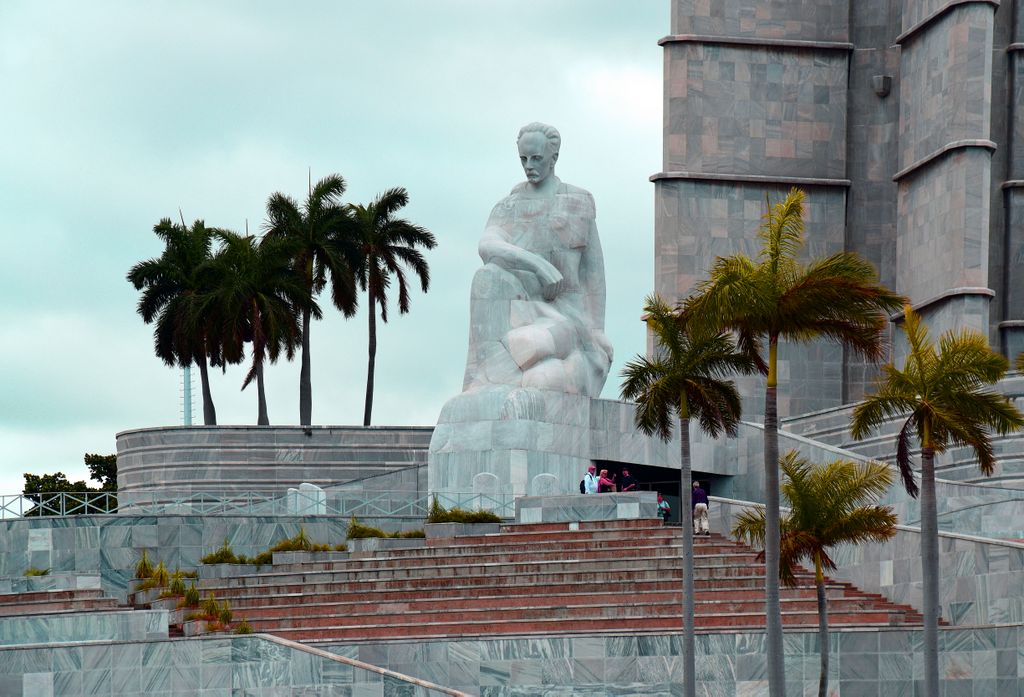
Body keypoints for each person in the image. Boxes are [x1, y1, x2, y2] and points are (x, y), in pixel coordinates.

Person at [459, 122, 613, 398]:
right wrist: (536, 264)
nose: (529, 166)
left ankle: (500, 379)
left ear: (554, 157)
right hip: (522, 309)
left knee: (533, 347)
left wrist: (597, 332)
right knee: (487, 276)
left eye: (536, 158)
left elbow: (594, 275)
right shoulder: (509, 205)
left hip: (567, 316)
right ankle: (485, 382)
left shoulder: (578, 201)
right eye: (523, 159)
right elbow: (487, 245)